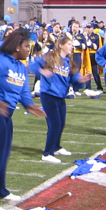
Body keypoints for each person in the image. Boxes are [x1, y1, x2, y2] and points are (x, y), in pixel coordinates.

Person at [0, 29, 46, 210]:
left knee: (4, 151)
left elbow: (23, 90)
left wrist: (29, 105)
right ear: (16, 47)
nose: (29, 49)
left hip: (5, 112)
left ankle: (1, 191)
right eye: (26, 46)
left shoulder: (21, 66)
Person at [30, 35, 90, 164]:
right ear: (61, 45)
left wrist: (81, 80)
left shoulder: (70, 62)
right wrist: (42, 71)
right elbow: (33, 65)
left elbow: (74, 80)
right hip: (48, 94)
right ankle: (47, 153)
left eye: (72, 45)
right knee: (55, 124)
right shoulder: (50, 56)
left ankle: (56, 147)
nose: (72, 47)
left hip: (60, 96)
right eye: (69, 44)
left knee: (61, 123)